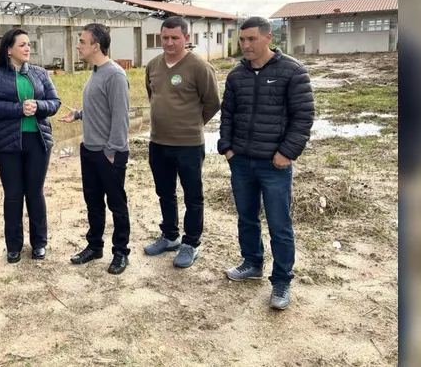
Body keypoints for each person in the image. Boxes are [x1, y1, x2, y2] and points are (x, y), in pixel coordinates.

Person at [217, 16, 314, 310]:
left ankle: (282, 280)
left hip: (274, 165)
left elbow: (303, 117)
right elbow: (228, 115)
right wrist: (227, 149)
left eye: (251, 39)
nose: (245, 45)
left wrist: (287, 153)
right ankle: (252, 262)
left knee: (279, 224)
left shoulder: (292, 72)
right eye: (241, 40)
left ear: (268, 38)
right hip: (241, 162)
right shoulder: (236, 75)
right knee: (246, 218)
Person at [0, 28, 62, 263]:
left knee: (35, 193)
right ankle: (13, 245)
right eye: (22, 45)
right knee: (13, 195)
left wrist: (39, 106)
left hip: (37, 140)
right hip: (6, 144)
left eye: (28, 44)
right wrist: (18, 109)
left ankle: (39, 243)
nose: (27, 49)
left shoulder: (40, 73)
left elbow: (55, 102)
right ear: (9, 49)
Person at [142, 16, 220, 268]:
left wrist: (192, 124)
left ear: (187, 38)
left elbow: (212, 103)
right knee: (165, 192)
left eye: (175, 38)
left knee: (192, 196)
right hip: (158, 143)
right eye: (165, 38)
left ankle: (191, 243)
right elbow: (153, 95)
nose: (169, 42)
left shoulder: (199, 67)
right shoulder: (153, 65)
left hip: (188, 145)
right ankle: (170, 235)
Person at [58, 23, 131, 274]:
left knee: (117, 204)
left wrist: (111, 151)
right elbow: (100, 108)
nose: (78, 46)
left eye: (81, 41)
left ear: (96, 46)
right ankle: (94, 246)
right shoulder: (96, 72)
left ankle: (121, 252)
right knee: (93, 203)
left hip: (108, 153)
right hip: (89, 149)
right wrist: (79, 114)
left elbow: (121, 119)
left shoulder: (115, 75)